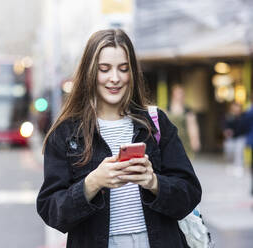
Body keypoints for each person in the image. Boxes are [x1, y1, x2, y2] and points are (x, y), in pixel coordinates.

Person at [36, 29, 202, 248]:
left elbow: (190, 192)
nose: (115, 78)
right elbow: (51, 211)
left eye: (123, 69)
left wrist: (153, 182)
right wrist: (93, 182)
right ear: (90, 71)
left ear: (132, 72)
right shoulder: (66, 132)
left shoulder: (155, 122)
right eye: (104, 69)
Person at [167, 84, 201, 159]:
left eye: (182, 93)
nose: (180, 96)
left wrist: (195, 140)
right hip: (171, 141)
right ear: (173, 94)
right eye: (178, 93)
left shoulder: (188, 111)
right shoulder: (167, 109)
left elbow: (192, 126)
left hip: (185, 142)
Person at [223, 102, 245, 177]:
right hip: (230, 138)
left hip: (240, 137)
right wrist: (226, 131)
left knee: (239, 152)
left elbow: (244, 127)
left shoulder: (243, 117)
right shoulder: (229, 116)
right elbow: (225, 126)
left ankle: (239, 167)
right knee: (229, 151)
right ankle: (230, 165)